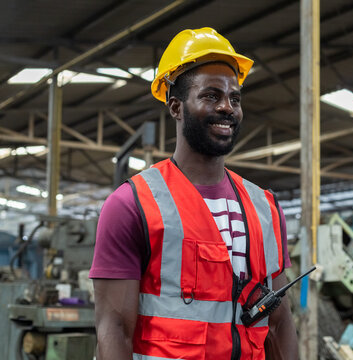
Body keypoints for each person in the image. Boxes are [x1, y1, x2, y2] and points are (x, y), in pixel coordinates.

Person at [90, 27, 298, 360]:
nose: (228, 107)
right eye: (211, 95)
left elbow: (278, 323)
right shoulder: (133, 205)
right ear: (176, 107)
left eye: (235, 98)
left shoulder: (265, 208)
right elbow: (113, 329)